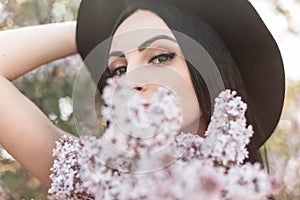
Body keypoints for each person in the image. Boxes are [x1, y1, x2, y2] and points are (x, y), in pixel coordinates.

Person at [0, 0, 285, 190]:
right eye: (119, 69)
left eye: (161, 57)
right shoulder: (94, 180)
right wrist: (82, 34)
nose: (130, 82)